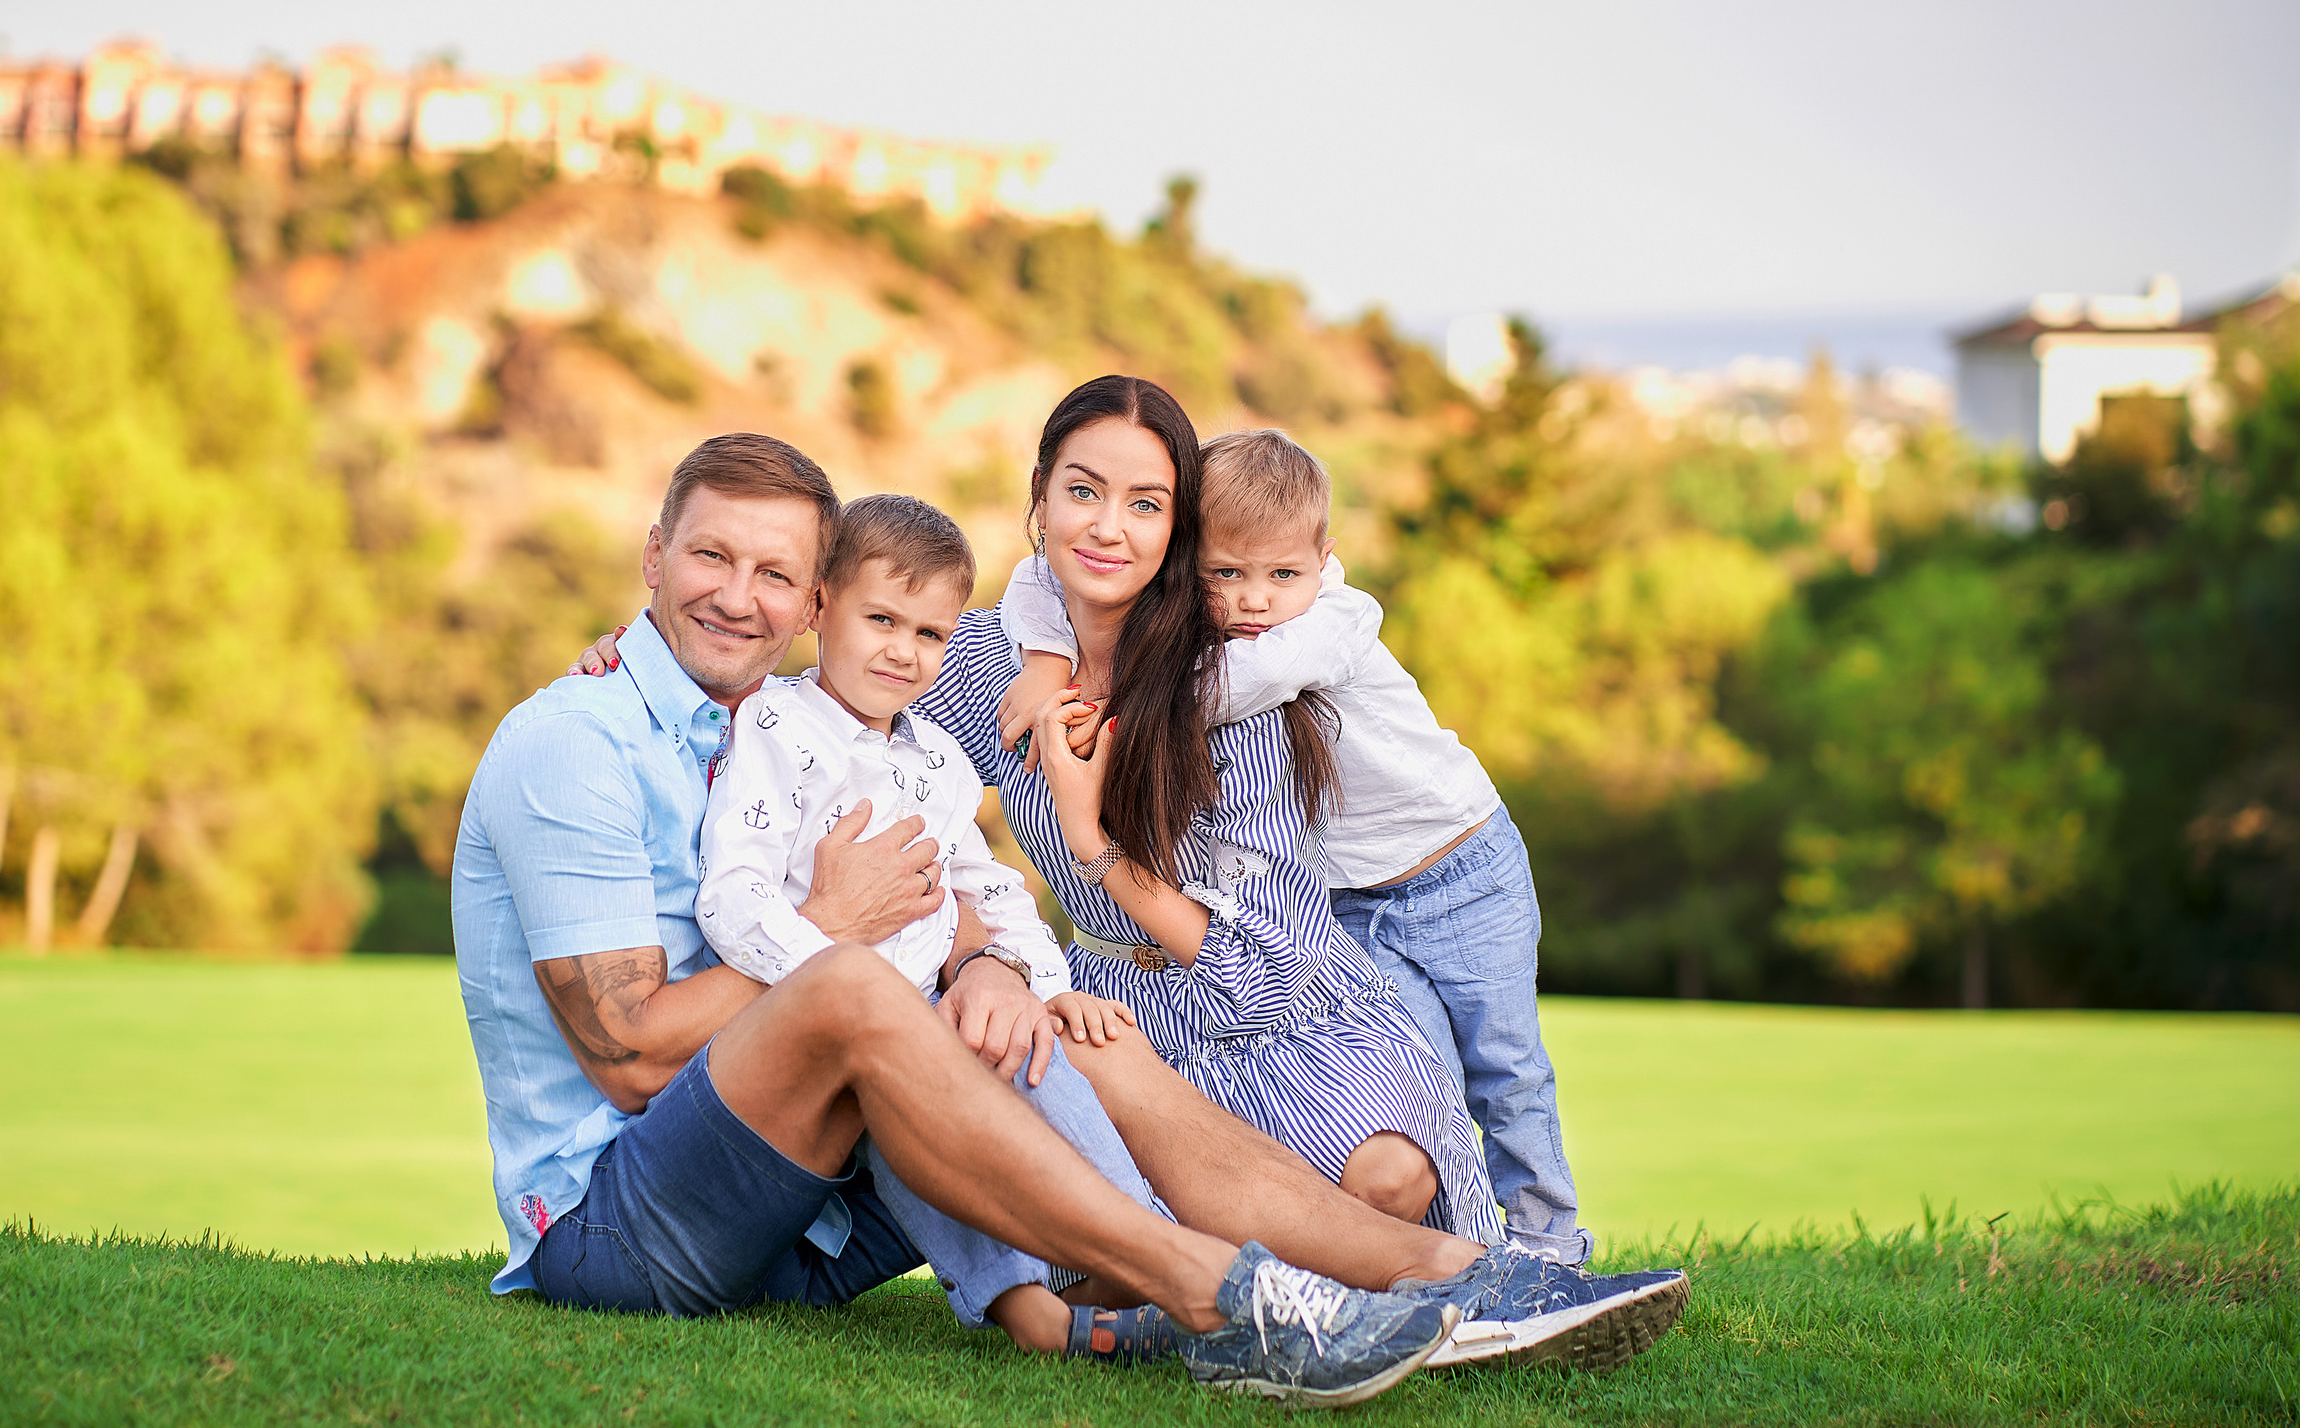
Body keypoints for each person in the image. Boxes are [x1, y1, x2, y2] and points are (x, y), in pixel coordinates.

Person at [458, 429, 1466, 1406]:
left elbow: (947, 886)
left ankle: (1454, 1273)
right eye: (710, 556)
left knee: (1064, 1030)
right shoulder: (574, 747)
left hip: (808, 1211)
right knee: (854, 985)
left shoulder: (788, 721)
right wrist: (834, 928)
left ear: (814, 601)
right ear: (652, 557)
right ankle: (1213, 1290)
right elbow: (629, 1054)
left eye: (774, 574)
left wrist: (992, 974)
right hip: (622, 1227)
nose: (737, 595)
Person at [907, 376, 1686, 1369]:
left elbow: (1259, 967)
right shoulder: (984, 662)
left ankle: (1456, 1279)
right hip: (1117, 999)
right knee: (1094, 1249)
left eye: (1145, 505)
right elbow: (847, 710)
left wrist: (1086, 832)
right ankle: (1356, 1305)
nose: (1107, 528)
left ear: (1179, 534)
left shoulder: (1235, 681)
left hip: (1281, 998)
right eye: (1080, 492)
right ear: (1039, 501)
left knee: (1390, 1178)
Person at [995, 426, 1590, 1264]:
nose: (1253, 602)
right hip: (1347, 899)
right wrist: (1045, 654)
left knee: (1508, 1065)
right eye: (1225, 575)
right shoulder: (1217, 619)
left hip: (1458, 867)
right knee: (1431, 1080)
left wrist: (1112, 699)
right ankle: (1452, 1264)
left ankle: (1552, 1248)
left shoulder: (1327, 626)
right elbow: (1033, 574)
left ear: (1324, 560)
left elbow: (1230, 685)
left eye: (1281, 576)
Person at [695, 491, 1174, 1359]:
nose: (904, 651)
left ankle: (1139, 1243)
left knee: (1034, 1053)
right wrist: (854, 986)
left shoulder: (939, 758)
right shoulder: (771, 724)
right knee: (907, 1099)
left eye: (930, 634)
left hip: (935, 1007)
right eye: (881, 618)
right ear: (819, 607)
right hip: (832, 1026)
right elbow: (733, 898)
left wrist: (1040, 984)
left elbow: (986, 886)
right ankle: (1032, 1307)